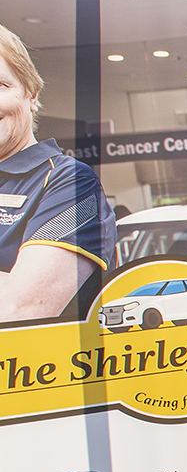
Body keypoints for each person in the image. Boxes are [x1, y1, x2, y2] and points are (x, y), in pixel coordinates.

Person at [0, 23, 110, 321]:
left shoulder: (69, 182)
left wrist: (14, 291)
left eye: (0, 85)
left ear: (32, 95)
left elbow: (21, 309)